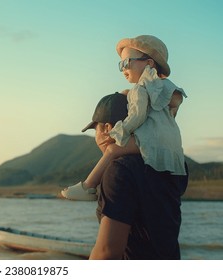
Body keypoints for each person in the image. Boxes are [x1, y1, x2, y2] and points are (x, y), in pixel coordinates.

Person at [62, 35, 187, 200]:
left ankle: (88, 187)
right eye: (120, 64)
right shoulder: (162, 87)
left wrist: (120, 130)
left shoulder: (141, 89)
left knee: (113, 150)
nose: (122, 69)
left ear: (149, 63)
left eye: (126, 63)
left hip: (153, 139)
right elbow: (175, 102)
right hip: (173, 142)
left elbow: (137, 116)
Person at [79, 92, 188, 259]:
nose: (96, 137)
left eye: (96, 129)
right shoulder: (173, 164)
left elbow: (107, 252)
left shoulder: (120, 170)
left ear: (108, 128)